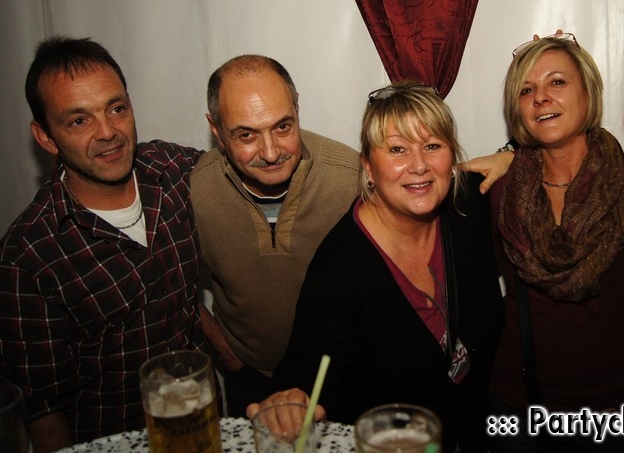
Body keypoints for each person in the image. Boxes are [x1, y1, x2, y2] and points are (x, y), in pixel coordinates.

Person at [245, 83, 504, 452]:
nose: (419, 165)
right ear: (368, 166)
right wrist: (292, 398)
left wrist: (514, 156)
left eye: (433, 146)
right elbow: (309, 363)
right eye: (397, 149)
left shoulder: (469, 207)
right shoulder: (342, 263)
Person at [0, 36, 207, 451]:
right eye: (79, 121)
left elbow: (250, 163)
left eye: (116, 108)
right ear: (45, 137)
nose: (108, 132)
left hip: (200, 427)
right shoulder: (29, 257)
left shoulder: (172, 170)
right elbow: (43, 408)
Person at [475, 32, 624, 452]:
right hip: (516, 408)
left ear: (588, 92)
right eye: (527, 90)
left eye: (557, 82)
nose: (541, 97)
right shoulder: (500, 190)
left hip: (612, 413)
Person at [190, 54, 360, 416]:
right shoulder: (194, 191)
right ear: (216, 129)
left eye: (283, 126)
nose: (270, 153)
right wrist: (229, 358)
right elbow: (171, 284)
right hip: (249, 379)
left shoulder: (351, 178)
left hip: (340, 376)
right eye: (246, 134)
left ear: (297, 109)